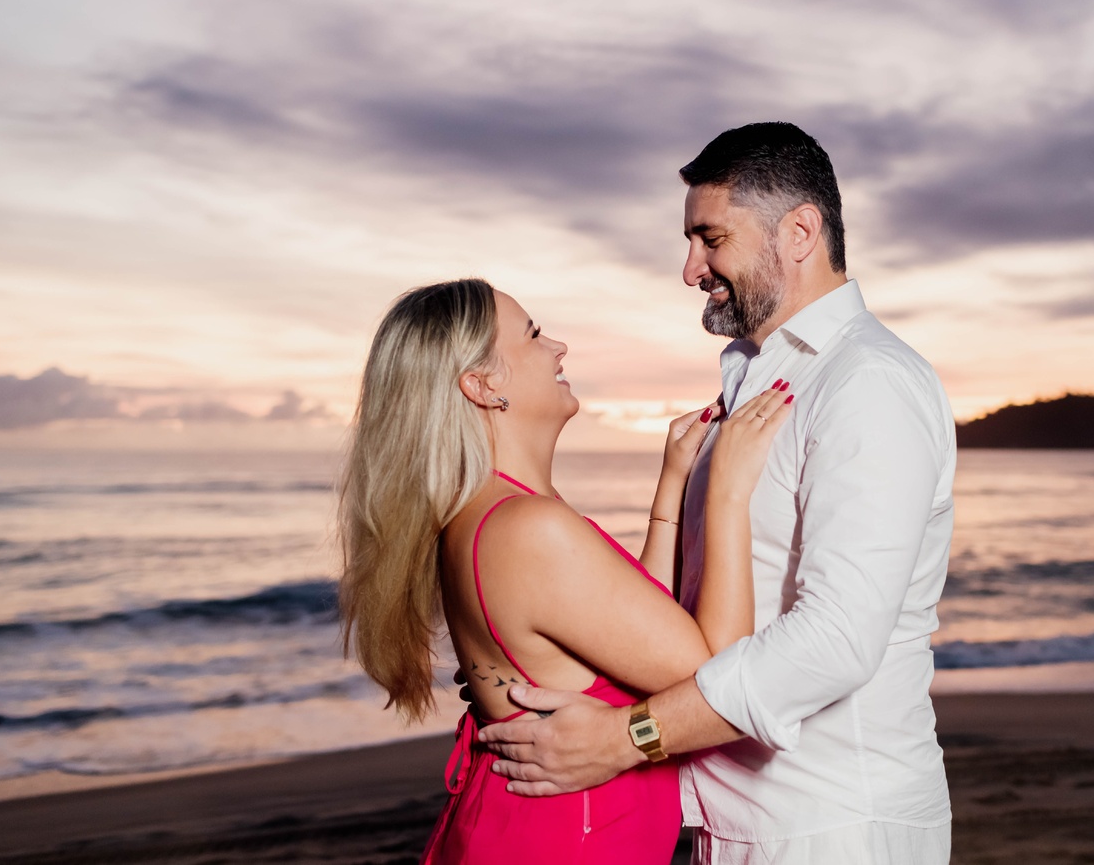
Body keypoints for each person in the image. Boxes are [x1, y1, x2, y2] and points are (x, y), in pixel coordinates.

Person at [480, 122, 957, 863]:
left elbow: (836, 640)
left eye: (711, 239)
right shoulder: (751, 379)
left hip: (831, 824)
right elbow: (683, 615)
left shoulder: (868, 383)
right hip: (725, 820)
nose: (690, 269)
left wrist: (627, 736)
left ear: (799, 232)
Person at [336, 278, 795, 864]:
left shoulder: (499, 512)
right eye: (533, 335)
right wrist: (728, 490)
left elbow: (636, 627)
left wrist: (674, 481)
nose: (558, 347)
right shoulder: (528, 530)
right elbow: (720, 682)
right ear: (482, 385)